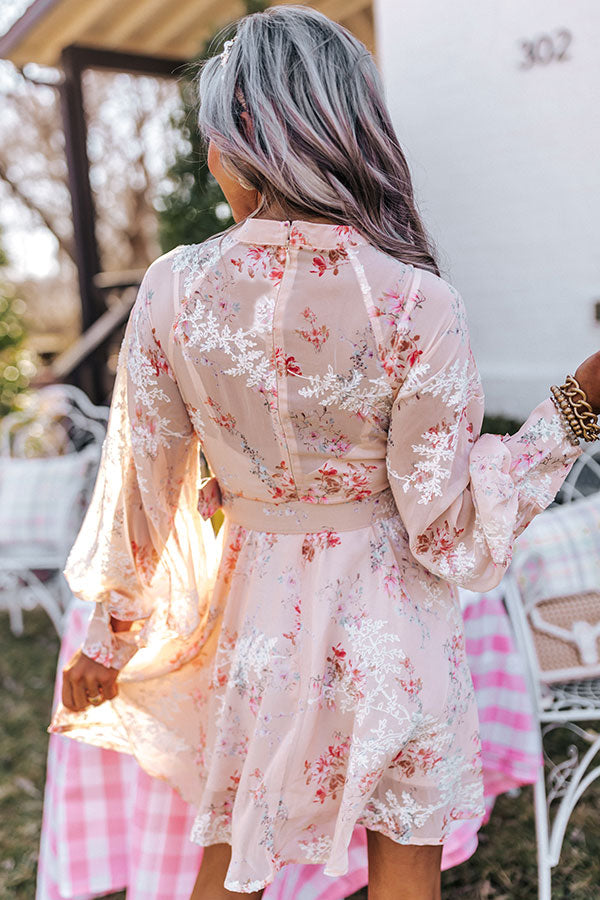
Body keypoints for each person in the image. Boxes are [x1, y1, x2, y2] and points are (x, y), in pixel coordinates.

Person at [51, 6, 600, 899]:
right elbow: (448, 530)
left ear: (247, 138)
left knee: (233, 863)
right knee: (405, 869)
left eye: (214, 140)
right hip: (398, 636)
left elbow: (142, 494)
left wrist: (109, 639)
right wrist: (576, 407)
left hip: (257, 632)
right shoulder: (418, 302)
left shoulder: (173, 291)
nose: (211, 160)